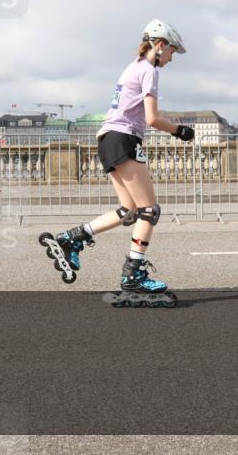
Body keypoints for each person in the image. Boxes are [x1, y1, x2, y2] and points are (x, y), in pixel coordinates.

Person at [54, 19, 194, 298]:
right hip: (124, 138)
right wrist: (181, 131)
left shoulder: (132, 67)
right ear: (160, 44)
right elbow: (152, 118)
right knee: (149, 211)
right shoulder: (149, 70)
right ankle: (133, 275)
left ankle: (73, 238)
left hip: (107, 138)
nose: (171, 59)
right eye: (172, 52)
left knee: (128, 211)